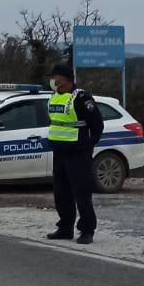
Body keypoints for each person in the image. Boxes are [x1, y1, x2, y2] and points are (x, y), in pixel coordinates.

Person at [45, 62, 104, 244]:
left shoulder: (81, 98)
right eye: (53, 77)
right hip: (59, 153)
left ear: (66, 79)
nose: (54, 80)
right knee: (61, 194)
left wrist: (86, 145)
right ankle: (65, 228)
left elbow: (97, 126)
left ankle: (87, 230)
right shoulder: (54, 97)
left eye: (57, 77)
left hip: (78, 154)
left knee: (81, 193)